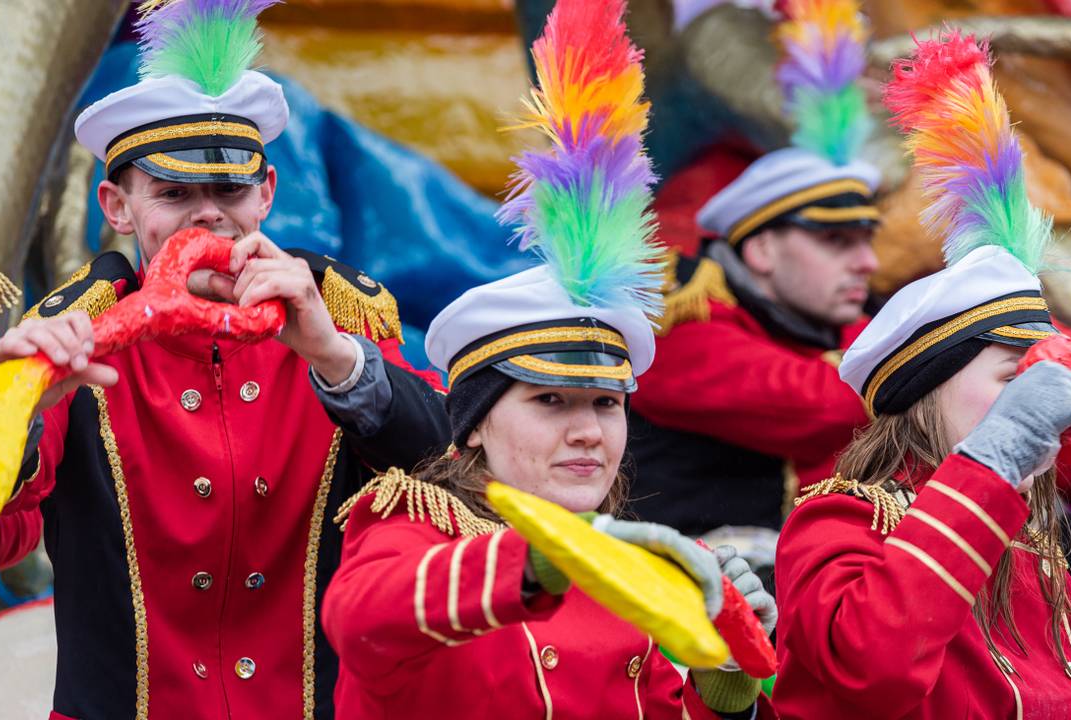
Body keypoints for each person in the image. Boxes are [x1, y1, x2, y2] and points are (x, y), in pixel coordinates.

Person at [0, 4, 447, 718]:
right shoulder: (71, 340)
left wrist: (334, 358)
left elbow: (459, 483)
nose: (208, 215)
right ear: (117, 207)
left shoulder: (338, 325)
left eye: (229, 190)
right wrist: (16, 415)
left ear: (266, 194)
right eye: (173, 193)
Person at [774, 31, 1071, 718]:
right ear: (926, 391)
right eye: (1015, 377)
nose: (1047, 403)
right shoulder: (839, 520)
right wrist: (997, 454)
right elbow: (871, 669)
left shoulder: (1036, 556)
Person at [322, 1, 776, 717]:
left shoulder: (641, 560)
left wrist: (723, 679)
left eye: (606, 404)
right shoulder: (410, 528)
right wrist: (541, 557)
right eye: (550, 400)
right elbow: (359, 616)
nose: (589, 431)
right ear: (472, 422)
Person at [628, 2, 880, 536]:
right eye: (837, 242)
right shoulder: (678, 320)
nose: (869, 262)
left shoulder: (828, 316)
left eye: (866, 241)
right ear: (762, 251)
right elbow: (824, 404)